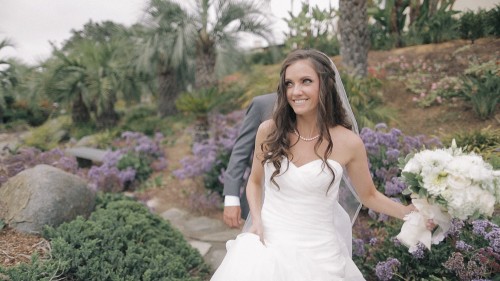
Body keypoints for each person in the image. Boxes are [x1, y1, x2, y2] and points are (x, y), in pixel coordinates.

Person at [211, 49, 417, 280]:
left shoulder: (348, 142)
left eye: (306, 81)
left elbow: (369, 196)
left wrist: (410, 214)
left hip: (321, 255)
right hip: (268, 245)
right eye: (289, 84)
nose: (295, 91)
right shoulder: (269, 131)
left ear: (325, 85)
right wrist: (257, 221)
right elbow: (255, 182)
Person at [222, 93, 276, 228]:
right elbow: (241, 152)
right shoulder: (263, 104)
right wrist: (231, 198)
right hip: (263, 199)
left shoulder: (327, 110)